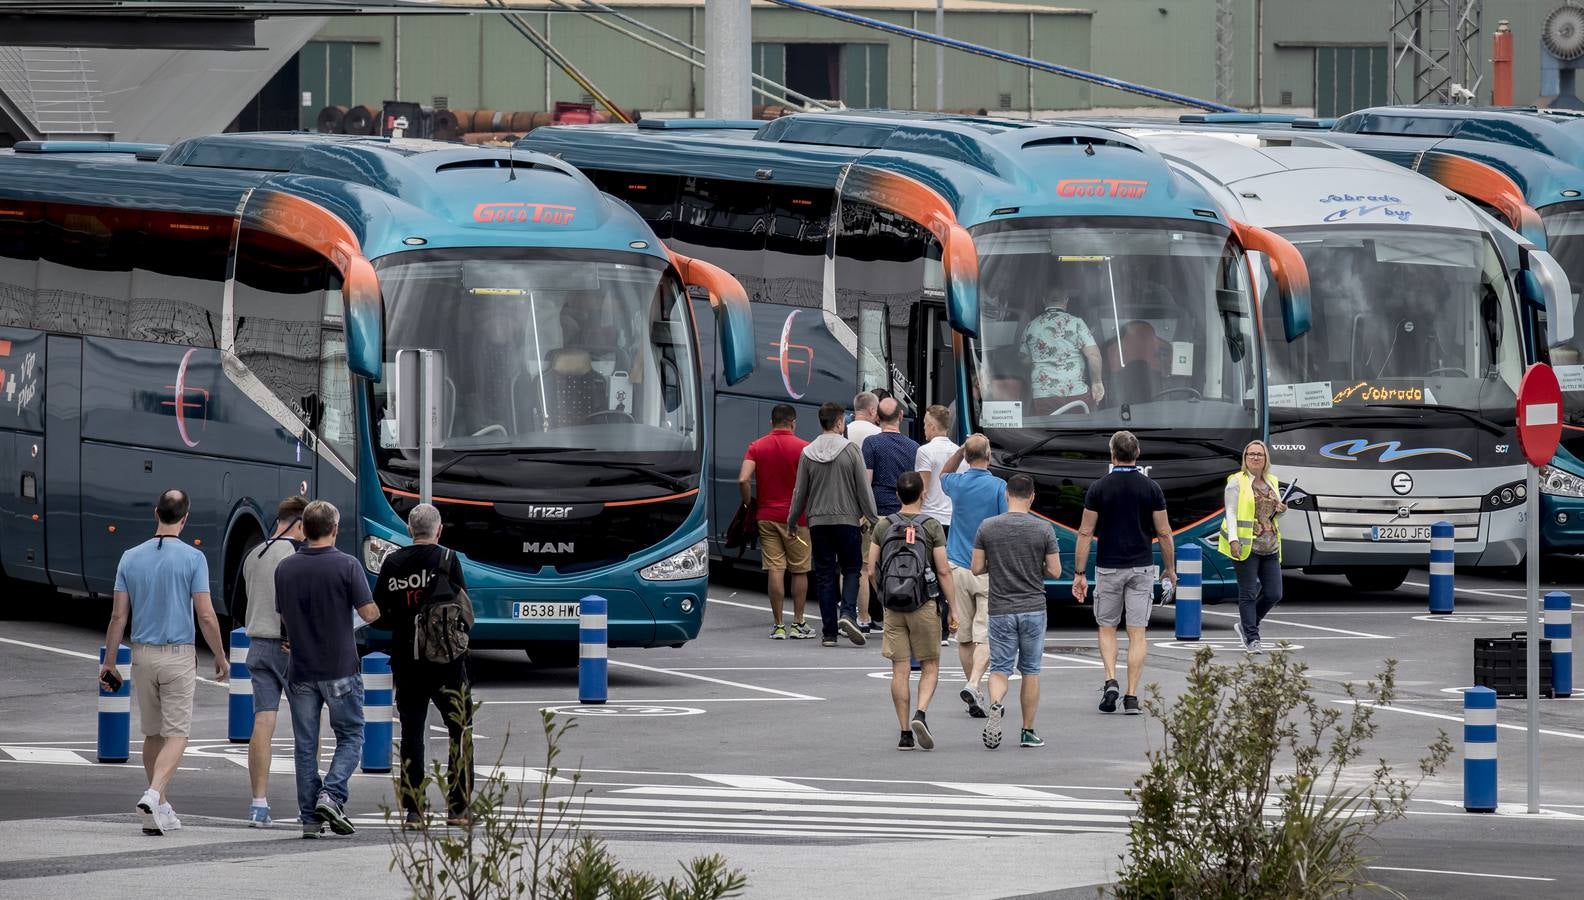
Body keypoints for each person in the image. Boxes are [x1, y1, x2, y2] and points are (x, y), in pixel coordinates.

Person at [99, 489, 228, 835]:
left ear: (156, 513)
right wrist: (219, 655)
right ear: (185, 518)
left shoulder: (129, 557)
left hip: (142, 654)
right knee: (178, 733)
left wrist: (109, 662)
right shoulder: (193, 558)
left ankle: (159, 809)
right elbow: (205, 614)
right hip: (178, 656)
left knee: (152, 733)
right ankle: (154, 794)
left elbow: (117, 616)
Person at [275, 500, 381, 838]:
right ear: (334, 530)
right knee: (351, 735)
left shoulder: (285, 568)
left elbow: (285, 615)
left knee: (305, 744)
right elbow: (368, 614)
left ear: (303, 529)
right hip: (339, 667)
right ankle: (332, 794)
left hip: (301, 668)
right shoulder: (347, 566)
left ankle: (310, 818)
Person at [373, 504, 476, 829]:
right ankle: (458, 809)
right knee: (460, 730)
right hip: (448, 661)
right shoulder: (448, 560)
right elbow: (461, 608)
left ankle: (415, 810)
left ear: (409, 530)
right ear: (439, 530)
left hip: (408, 660)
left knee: (412, 733)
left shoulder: (393, 563)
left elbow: (380, 615)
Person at [1071, 431, 1175, 717]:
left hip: (1109, 566)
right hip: (1141, 567)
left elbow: (1085, 531)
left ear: (1112, 454)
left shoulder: (1099, 488)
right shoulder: (1151, 488)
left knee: (1107, 627)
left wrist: (1079, 572)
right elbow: (1164, 533)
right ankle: (1131, 696)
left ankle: (1110, 679)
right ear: (1137, 453)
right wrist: (1170, 569)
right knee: (1137, 633)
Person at [865, 472, 954, 750]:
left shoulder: (883, 525)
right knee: (929, 665)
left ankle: (904, 733)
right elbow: (942, 569)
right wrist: (953, 609)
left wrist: (884, 595)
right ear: (922, 494)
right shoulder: (931, 526)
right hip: (924, 603)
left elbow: (870, 569)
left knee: (899, 670)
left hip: (893, 605)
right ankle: (921, 713)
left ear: (897, 494)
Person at [972, 474, 1060, 749]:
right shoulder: (1043, 529)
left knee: (999, 668)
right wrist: (1037, 569)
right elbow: (1055, 571)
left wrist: (995, 566)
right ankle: (1028, 731)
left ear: (1006, 495)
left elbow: (976, 568)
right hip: (1033, 607)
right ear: (1032, 497)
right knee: (1031, 671)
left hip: (1000, 608)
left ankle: (996, 704)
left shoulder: (988, 527)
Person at [239, 495, 308, 828]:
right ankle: (305, 804)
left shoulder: (253, 554)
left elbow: (241, 602)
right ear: (298, 523)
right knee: (306, 726)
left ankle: (258, 804)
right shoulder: (296, 554)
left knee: (262, 722)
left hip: (257, 644)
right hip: (289, 648)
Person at [787, 401, 877, 647]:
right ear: (839, 422)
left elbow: (800, 492)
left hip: (818, 522)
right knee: (851, 569)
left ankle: (828, 633)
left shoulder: (807, 452)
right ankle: (847, 613)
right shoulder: (851, 450)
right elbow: (863, 489)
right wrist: (873, 518)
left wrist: (792, 521)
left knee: (825, 575)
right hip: (848, 520)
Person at [941, 434, 1007, 718]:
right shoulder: (998, 487)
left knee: (965, 636)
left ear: (967, 458)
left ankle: (974, 695)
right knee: (986, 635)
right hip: (987, 568)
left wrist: (960, 451)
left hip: (957, 565)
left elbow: (944, 472)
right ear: (989, 456)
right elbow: (1005, 525)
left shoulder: (956, 484)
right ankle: (974, 683)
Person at [739, 404, 814, 640]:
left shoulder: (757, 446)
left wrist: (748, 502)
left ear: (772, 422)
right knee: (800, 570)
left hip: (766, 516)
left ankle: (778, 624)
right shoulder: (805, 448)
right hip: (797, 518)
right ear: (793, 422)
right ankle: (798, 622)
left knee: (775, 568)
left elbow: (743, 478)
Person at [1220, 440, 1286, 655]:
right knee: (1247, 593)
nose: (1255, 458)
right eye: (1251, 454)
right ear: (1245, 458)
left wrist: (1282, 509)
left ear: (1266, 458)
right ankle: (1252, 637)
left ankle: (1246, 625)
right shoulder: (1236, 481)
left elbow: (1274, 514)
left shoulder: (1272, 481)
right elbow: (1230, 512)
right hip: (1246, 545)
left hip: (1270, 545)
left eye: (1259, 454)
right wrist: (1233, 540)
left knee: (1274, 593)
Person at [914, 404, 959, 645]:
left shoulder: (924, 451)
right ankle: (950, 624)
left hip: (930, 520)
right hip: (953, 519)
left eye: (924, 425)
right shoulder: (958, 452)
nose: (924, 429)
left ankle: (936, 627)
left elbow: (922, 489)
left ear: (932, 426)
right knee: (948, 573)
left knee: (929, 574)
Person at [1023, 294, 1103, 415]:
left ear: (1044, 300)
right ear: (1066, 300)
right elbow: (1094, 356)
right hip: (1077, 394)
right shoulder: (1077, 323)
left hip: (1043, 396)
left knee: (1046, 432)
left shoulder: (1030, 326)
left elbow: (1024, 359)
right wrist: (1097, 383)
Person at [846, 391, 881, 630]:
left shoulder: (844, 432)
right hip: (872, 508)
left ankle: (849, 612)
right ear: (871, 411)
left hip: (846, 506)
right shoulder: (878, 435)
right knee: (868, 566)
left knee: (849, 566)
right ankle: (867, 617)